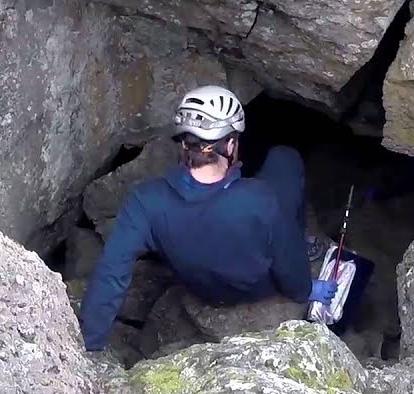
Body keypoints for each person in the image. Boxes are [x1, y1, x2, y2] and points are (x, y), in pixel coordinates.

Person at [79, 85, 338, 352]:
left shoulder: (146, 201)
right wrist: (305, 290)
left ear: (184, 144)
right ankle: (304, 242)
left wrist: (89, 347)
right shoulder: (260, 200)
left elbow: (111, 274)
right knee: (284, 158)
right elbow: (289, 266)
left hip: (203, 290)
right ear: (230, 144)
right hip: (260, 287)